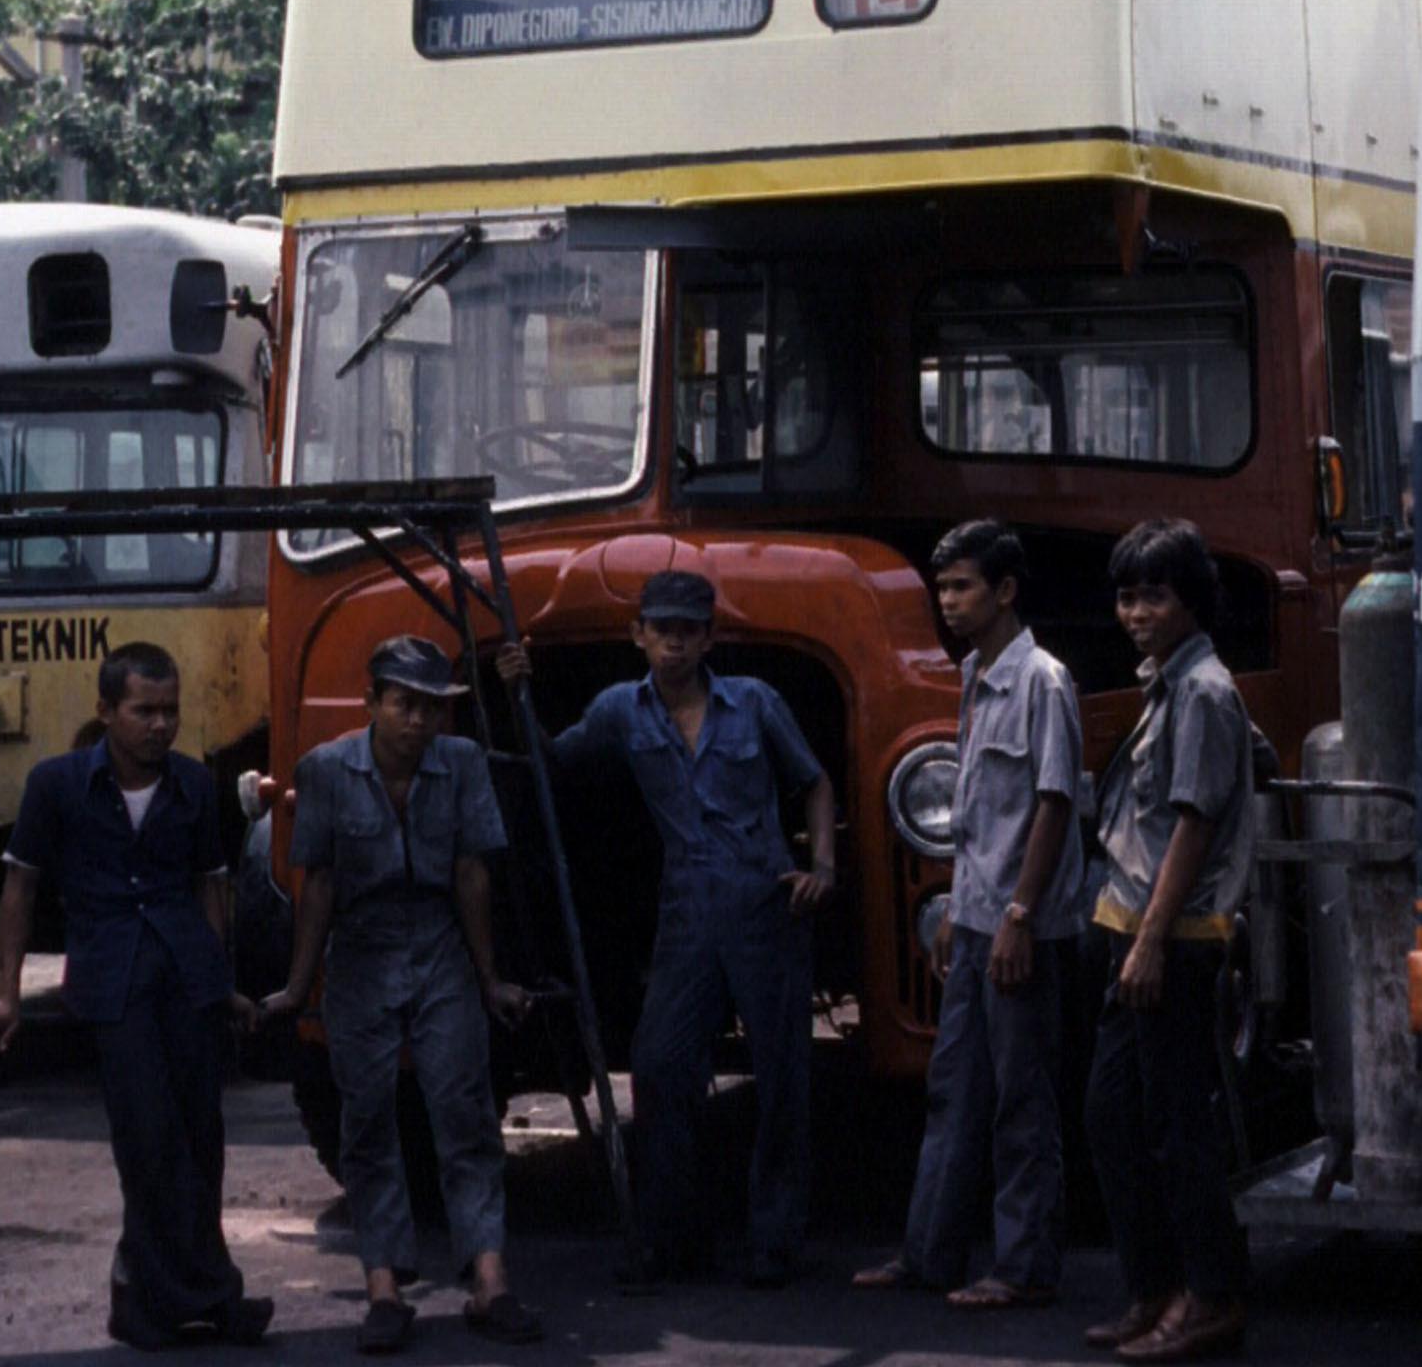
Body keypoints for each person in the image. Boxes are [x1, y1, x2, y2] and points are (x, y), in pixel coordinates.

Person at [528, 568, 836, 1291]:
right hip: (687, 909)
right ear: (637, 635)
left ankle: (775, 1240)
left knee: (782, 1076)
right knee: (661, 1065)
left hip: (766, 902)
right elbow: (555, 764)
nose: (673, 642)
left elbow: (814, 781)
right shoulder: (620, 710)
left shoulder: (753, 701)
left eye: (688, 630)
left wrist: (822, 865)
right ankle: (675, 1239)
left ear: (709, 639)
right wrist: (518, 692)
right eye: (661, 629)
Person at [0, 642, 272, 1353]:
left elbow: (210, 885)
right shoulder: (56, 785)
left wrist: (221, 982)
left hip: (187, 982)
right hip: (113, 985)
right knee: (148, 1140)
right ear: (106, 711)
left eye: (170, 711)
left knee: (201, 1139)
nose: (160, 725)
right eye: (144, 711)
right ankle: (175, 1299)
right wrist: (6, 995)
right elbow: (20, 888)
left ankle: (173, 1298)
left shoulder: (193, 784)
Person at [256, 637, 545, 1352]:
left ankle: (490, 1281)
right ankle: (384, 1289)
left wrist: (488, 979)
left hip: (441, 947)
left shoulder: (463, 763)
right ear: (372, 703)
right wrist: (298, 985)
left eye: (431, 708)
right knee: (366, 1121)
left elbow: (472, 875)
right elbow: (318, 885)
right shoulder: (325, 770)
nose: (418, 721)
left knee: (465, 1112)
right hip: (361, 952)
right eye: (404, 704)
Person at [854, 519, 1086, 1309]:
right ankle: (931, 1253)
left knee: (1022, 1098)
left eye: (962, 587)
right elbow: (978, 810)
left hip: (1022, 925)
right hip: (981, 915)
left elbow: (1053, 804)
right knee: (954, 1088)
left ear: (1005, 590)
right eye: (942, 588)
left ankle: (1025, 1267)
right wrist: (960, 901)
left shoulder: (1042, 682)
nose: (948, 602)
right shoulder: (974, 675)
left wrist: (1019, 913)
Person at [1081, 520, 1268, 1362]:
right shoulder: (1169, 685)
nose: (1136, 613)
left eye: (1154, 596)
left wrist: (1152, 943)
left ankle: (1213, 1295)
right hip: (1130, 929)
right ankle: (1156, 1288)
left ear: (1191, 600)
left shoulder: (1202, 692)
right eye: (1127, 597)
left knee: (1175, 1125)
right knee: (1112, 1116)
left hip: (1173, 937)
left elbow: (1193, 826)